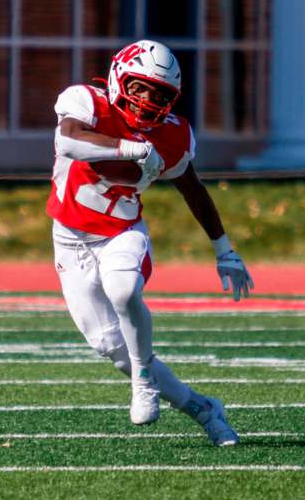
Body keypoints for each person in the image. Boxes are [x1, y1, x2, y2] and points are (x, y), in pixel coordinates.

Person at [46, 39, 253, 446]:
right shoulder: (88, 102)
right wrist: (128, 147)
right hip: (70, 240)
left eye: (159, 95)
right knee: (107, 344)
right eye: (140, 88)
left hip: (123, 234)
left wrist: (224, 248)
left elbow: (193, 189)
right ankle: (202, 407)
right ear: (119, 78)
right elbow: (68, 141)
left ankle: (143, 381)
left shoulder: (172, 135)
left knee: (123, 290)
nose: (147, 100)